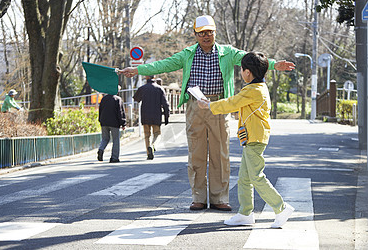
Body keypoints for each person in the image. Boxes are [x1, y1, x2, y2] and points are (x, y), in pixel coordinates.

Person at [119, 15, 294, 211]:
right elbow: (164, 64)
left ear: (215, 33)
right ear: (195, 35)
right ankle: (198, 197)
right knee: (196, 152)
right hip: (195, 106)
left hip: (220, 104)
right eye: (201, 33)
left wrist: (274, 64)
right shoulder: (187, 54)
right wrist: (139, 70)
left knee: (220, 152)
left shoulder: (227, 52)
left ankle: (220, 198)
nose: (206, 36)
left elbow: (251, 60)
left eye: (209, 32)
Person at [197, 52, 294, 228]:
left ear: (247, 72)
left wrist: (209, 105)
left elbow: (232, 103)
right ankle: (245, 213)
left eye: (242, 69)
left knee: (256, 177)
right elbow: (234, 103)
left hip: (255, 138)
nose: (241, 72)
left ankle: (281, 207)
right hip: (254, 137)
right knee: (244, 178)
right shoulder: (258, 88)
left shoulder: (252, 90)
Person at [133, 75, 170, 160]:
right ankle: (153, 146)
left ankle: (148, 152)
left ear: (146, 78)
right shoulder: (160, 89)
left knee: (147, 135)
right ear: (155, 77)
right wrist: (167, 116)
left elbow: (136, 98)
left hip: (145, 115)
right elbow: (165, 104)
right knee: (157, 134)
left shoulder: (143, 88)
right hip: (156, 115)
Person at [97, 90, 126, 163]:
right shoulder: (118, 99)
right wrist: (123, 123)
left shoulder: (104, 99)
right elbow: (120, 112)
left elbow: (100, 110)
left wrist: (100, 120)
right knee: (116, 139)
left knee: (105, 138)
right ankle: (114, 158)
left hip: (104, 122)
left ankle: (101, 149)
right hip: (114, 123)